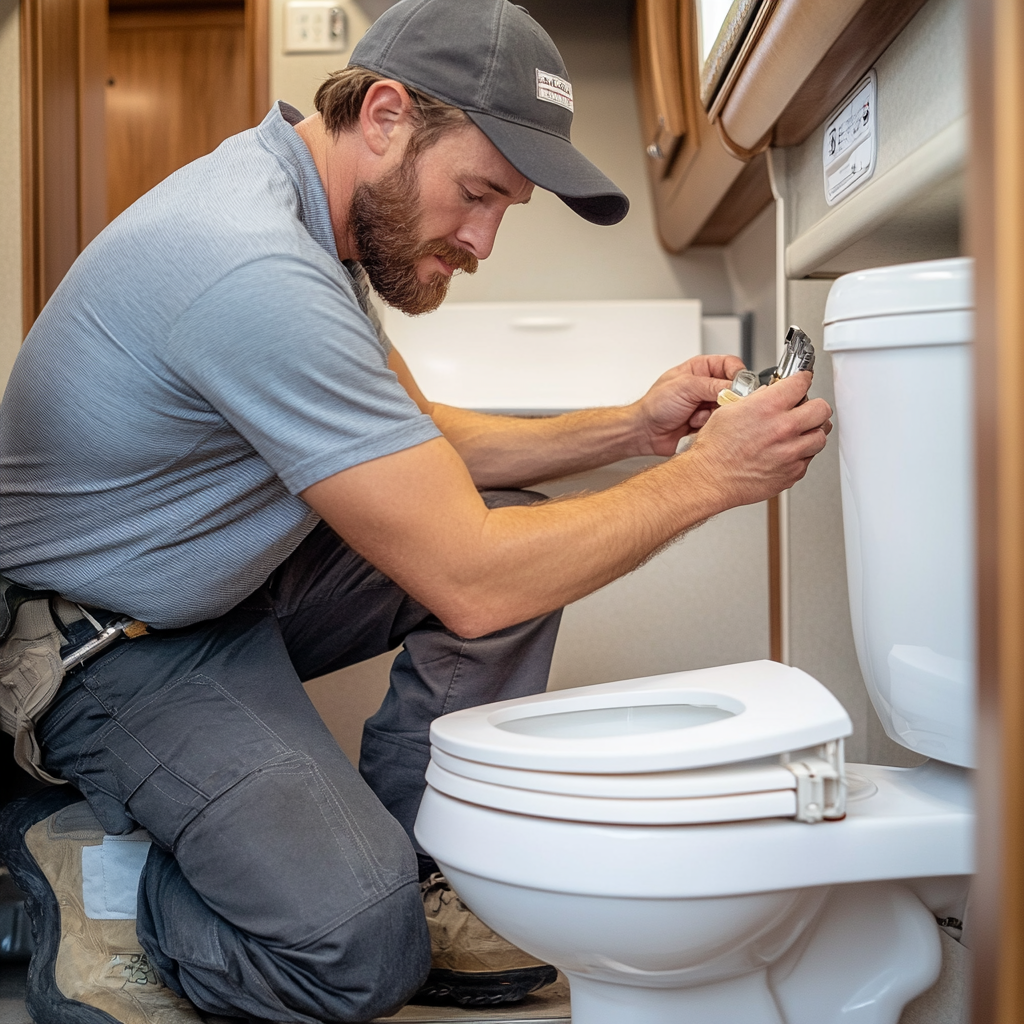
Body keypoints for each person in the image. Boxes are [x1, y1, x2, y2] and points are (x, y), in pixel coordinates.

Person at [0, 0, 832, 1021]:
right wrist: (709, 478)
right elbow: (472, 580)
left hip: (214, 589)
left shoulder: (308, 211)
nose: (483, 239)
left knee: (520, 521)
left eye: (505, 207)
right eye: (477, 192)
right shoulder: (251, 262)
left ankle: (411, 860)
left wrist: (631, 427)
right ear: (385, 115)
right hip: (100, 650)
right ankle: (105, 879)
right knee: (353, 953)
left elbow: (422, 434)